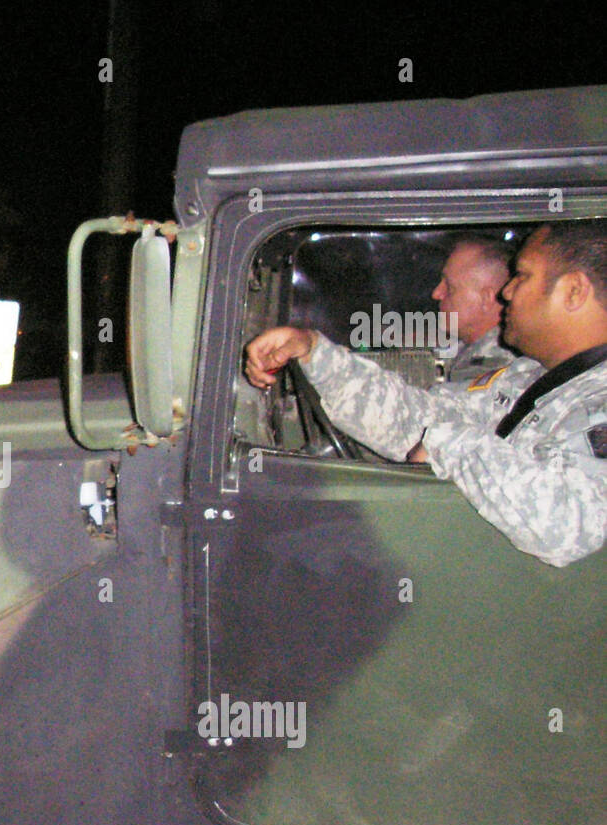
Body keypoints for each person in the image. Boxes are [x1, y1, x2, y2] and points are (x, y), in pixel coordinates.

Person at [244, 220, 607, 567]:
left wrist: (450, 444)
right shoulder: (528, 375)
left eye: (523, 276)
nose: (507, 291)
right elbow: (419, 420)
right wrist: (313, 351)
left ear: (573, 291)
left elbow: (572, 527)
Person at [432, 236, 515, 382]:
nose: (437, 294)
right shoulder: (468, 349)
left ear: (486, 299)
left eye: (450, 288)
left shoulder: (495, 365)